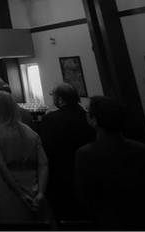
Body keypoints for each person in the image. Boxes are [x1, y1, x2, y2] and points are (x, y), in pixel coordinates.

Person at [74, 96, 145, 230]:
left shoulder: (86, 154)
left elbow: (85, 195)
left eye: (88, 110)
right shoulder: (142, 149)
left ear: (94, 120)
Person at [0, 89, 50, 225]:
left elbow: (1, 166)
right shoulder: (30, 132)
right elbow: (44, 164)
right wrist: (40, 192)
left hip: (8, 185)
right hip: (32, 181)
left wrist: (21, 194)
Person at [38, 83, 95, 221]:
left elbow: (45, 147)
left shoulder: (51, 119)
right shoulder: (87, 116)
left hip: (60, 172)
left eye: (55, 97)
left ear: (61, 99)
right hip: (88, 170)